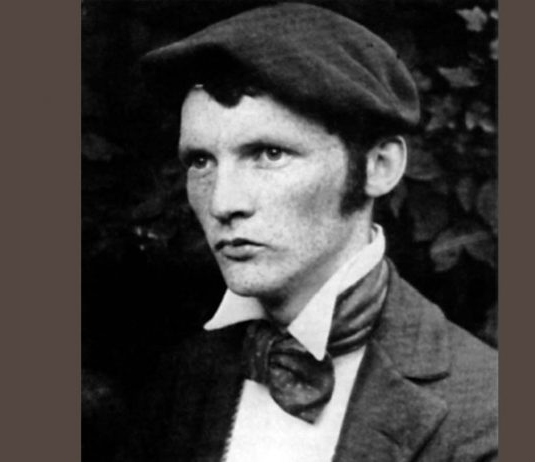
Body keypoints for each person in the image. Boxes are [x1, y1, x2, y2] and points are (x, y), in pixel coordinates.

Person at [122, 3, 497, 461]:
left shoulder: (486, 408)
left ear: (379, 167)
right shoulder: (183, 379)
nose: (223, 203)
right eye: (201, 161)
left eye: (269, 154)